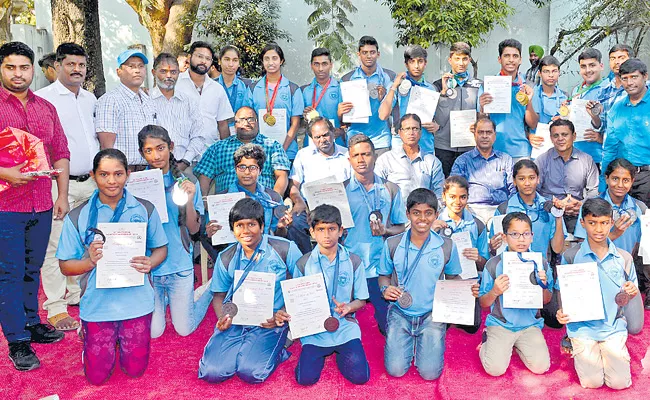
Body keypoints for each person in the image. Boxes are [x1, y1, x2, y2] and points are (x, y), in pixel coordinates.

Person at [57, 149, 168, 384]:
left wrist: (151, 262)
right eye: (104, 174)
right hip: (98, 305)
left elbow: (161, 249)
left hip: (137, 302)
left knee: (135, 370)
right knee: (97, 377)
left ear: (128, 174)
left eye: (118, 174)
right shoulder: (79, 216)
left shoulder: (145, 209)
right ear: (93, 176)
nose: (111, 181)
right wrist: (88, 262)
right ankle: (88, 337)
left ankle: (119, 340)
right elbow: (65, 266)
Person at [0, 41, 70, 371]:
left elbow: (61, 152)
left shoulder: (46, 108)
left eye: (23, 67)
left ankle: (32, 323)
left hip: (41, 203)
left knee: (32, 270)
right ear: (2, 69)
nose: (18, 74)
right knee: (10, 273)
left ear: (34, 70)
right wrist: (5, 173)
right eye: (11, 67)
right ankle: (17, 340)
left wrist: (62, 195)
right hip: (5, 207)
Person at [198, 198, 302, 384]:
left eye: (252, 224)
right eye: (239, 225)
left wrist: (283, 313)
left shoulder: (285, 248)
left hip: (270, 322)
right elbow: (219, 295)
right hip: (237, 319)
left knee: (252, 372)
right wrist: (223, 317)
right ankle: (244, 345)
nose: (245, 231)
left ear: (262, 226)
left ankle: (282, 342)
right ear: (233, 230)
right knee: (212, 372)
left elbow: (302, 286)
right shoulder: (226, 257)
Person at [36, 42, 98, 332]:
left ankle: (76, 293)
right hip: (57, 185)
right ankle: (56, 307)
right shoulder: (42, 100)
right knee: (56, 244)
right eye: (70, 64)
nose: (77, 69)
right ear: (57, 66)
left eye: (81, 65)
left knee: (85, 240)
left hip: (91, 181)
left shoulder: (90, 98)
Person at [556, 198, 643, 389]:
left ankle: (611, 349)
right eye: (592, 223)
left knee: (619, 383)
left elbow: (632, 292)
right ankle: (575, 342)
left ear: (611, 223)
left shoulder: (623, 257)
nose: (598, 229)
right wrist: (561, 311)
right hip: (583, 329)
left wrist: (631, 291)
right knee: (592, 382)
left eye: (604, 223)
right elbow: (563, 290)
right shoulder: (571, 256)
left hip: (613, 327)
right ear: (582, 223)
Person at [378, 188, 463, 380]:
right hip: (400, 312)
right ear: (408, 214)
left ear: (436, 214)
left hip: (432, 314)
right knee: (395, 370)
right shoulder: (392, 244)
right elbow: (383, 276)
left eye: (428, 213)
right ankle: (407, 341)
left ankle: (423, 344)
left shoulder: (446, 245)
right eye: (416, 213)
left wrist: (466, 290)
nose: (422, 219)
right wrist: (385, 289)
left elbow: (453, 278)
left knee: (430, 374)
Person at [137, 125, 213, 338]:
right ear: (142, 153)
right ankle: (169, 299)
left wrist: (189, 200)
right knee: (153, 332)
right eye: (148, 150)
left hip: (179, 267)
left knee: (184, 329)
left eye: (160, 148)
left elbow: (194, 229)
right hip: (149, 270)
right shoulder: (136, 184)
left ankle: (205, 290)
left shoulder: (186, 181)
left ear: (170, 147)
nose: (155, 155)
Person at [281, 204, 370, 386]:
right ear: (312, 232)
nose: (327, 235)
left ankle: (341, 354)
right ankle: (323, 354)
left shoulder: (354, 261)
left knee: (360, 377)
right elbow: (295, 300)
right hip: (314, 330)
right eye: (321, 229)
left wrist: (349, 307)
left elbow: (362, 299)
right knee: (305, 380)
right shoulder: (303, 264)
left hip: (345, 327)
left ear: (341, 231)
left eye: (332, 229)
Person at [343, 134, 407, 335]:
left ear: (375, 157)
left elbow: (402, 228)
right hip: (351, 268)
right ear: (349, 159)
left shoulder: (391, 189)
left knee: (389, 327)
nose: (361, 159)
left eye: (366, 154)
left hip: (380, 269)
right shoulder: (340, 191)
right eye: (356, 155)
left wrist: (386, 231)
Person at [478, 212, 553, 377]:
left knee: (541, 367)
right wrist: (495, 291)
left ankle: (518, 346)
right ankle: (486, 342)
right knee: (495, 370)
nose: (521, 239)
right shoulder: (494, 264)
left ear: (532, 236)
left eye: (526, 234)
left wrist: (543, 285)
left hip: (529, 325)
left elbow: (547, 300)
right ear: (505, 237)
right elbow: (483, 303)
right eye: (514, 234)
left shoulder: (541, 263)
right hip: (501, 325)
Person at [573, 158, 650, 308]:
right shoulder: (590, 205)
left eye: (626, 180)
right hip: (594, 270)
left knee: (634, 326)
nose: (620, 185)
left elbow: (643, 248)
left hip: (626, 271)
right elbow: (582, 246)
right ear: (606, 178)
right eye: (615, 178)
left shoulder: (639, 208)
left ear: (633, 181)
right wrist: (614, 234)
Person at [204, 144, 292, 252]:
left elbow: (279, 236)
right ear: (235, 169)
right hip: (232, 253)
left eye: (252, 168)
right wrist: (210, 233)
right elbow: (212, 238)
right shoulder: (221, 199)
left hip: (266, 253)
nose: (246, 172)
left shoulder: (272, 198)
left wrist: (281, 227)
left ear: (260, 171)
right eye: (242, 167)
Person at [194, 106, 290, 196]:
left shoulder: (272, 146)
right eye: (241, 120)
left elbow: (282, 176)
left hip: (263, 203)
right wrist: (203, 202)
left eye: (250, 119)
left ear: (258, 122)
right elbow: (204, 178)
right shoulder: (218, 148)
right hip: (226, 205)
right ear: (235, 125)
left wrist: (274, 202)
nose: (246, 123)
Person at [435, 175, 488, 333]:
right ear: (444, 196)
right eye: (452, 197)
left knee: (472, 326)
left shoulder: (477, 225)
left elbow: (485, 262)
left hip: (466, 282)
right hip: (439, 283)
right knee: (439, 325)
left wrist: (477, 257)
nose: (457, 202)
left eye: (462, 197)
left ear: (468, 198)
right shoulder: (433, 221)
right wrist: (430, 232)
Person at [288, 117, 350, 253]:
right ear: (311, 138)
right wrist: (298, 201)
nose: (323, 140)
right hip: (310, 208)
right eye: (317, 137)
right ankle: (305, 259)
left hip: (340, 208)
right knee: (295, 222)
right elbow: (294, 186)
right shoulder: (303, 155)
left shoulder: (347, 155)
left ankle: (342, 258)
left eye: (326, 134)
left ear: (333, 133)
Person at [478, 39, 540, 161]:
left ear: (520, 59)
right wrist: (482, 107)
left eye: (515, 56)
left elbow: (533, 124)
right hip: (493, 150)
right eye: (507, 56)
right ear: (499, 59)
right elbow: (481, 122)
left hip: (521, 151)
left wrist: (528, 101)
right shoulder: (487, 85)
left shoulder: (529, 86)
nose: (511, 60)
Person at [95, 48, 156, 169]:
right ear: (119, 72)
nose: (137, 70)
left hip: (149, 170)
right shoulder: (110, 100)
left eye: (141, 66)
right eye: (131, 66)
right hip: (124, 171)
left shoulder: (148, 100)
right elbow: (106, 147)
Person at [491, 160, 566, 258]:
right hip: (511, 268)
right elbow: (496, 247)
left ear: (538, 179)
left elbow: (557, 249)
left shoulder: (550, 208)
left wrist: (558, 217)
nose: (527, 183)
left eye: (532, 178)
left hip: (541, 269)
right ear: (514, 181)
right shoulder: (504, 209)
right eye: (521, 179)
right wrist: (493, 246)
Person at [535, 119, 599, 233]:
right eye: (556, 135)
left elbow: (593, 191)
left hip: (577, 212)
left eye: (565, 135)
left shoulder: (586, 160)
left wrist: (582, 205)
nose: (560, 139)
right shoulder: (542, 161)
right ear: (551, 138)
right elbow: (534, 192)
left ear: (574, 136)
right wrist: (553, 205)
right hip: (548, 213)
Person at [602, 58, 650, 207]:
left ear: (645, 77)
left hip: (647, 176)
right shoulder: (616, 109)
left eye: (634, 77)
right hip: (622, 179)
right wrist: (603, 184)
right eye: (625, 78)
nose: (629, 83)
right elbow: (610, 148)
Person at [450, 116, 515, 224]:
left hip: (501, 210)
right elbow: (454, 188)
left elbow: (513, 189)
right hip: (472, 210)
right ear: (474, 134)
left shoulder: (505, 159)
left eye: (488, 132)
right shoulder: (463, 160)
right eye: (480, 132)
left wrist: (509, 210)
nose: (484, 136)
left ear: (495, 135)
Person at [149, 52, 206, 173]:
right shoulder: (145, 101)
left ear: (179, 74)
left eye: (173, 72)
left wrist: (185, 162)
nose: (169, 76)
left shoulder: (189, 102)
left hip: (185, 167)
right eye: (163, 71)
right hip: (152, 168)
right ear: (154, 73)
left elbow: (199, 136)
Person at [433, 42, 482, 176]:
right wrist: (443, 94)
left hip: (469, 146)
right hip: (444, 147)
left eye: (465, 59)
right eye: (457, 58)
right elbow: (437, 119)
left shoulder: (478, 85)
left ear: (469, 60)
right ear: (450, 60)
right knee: (446, 187)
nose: (461, 63)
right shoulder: (438, 85)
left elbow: (482, 115)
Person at [378, 45, 439, 153]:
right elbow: (383, 115)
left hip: (425, 146)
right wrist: (394, 87)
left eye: (420, 61)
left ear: (425, 63)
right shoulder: (397, 85)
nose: (416, 66)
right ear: (406, 64)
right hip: (401, 146)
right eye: (412, 62)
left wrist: (435, 126)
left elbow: (437, 119)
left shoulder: (431, 89)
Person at [339, 36, 394, 154]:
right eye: (364, 52)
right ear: (358, 54)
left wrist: (383, 99)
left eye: (372, 52)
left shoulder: (389, 76)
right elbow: (344, 121)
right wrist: (340, 113)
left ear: (378, 54)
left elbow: (393, 110)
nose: (369, 56)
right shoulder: (347, 79)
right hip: (355, 138)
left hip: (381, 139)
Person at [250, 43, 304, 160]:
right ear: (262, 62)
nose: (270, 63)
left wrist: (282, 149)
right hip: (259, 152)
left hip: (287, 151)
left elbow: (295, 123)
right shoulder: (253, 88)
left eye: (274, 58)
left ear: (281, 61)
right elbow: (250, 119)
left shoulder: (293, 89)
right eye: (266, 59)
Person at [375, 114, 444, 205]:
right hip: (394, 214)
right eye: (407, 129)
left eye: (415, 128)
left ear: (421, 132)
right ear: (399, 132)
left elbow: (439, 195)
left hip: (424, 214)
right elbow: (377, 191)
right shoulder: (386, 160)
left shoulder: (432, 162)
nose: (411, 133)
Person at [174, 41, 233, 143]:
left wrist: (225, 149)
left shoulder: (217, 89)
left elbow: (222, 124)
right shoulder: (175, 85)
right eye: (200, 56)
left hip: (209, 152)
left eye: (208, 59)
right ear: (189, 57)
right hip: (181, 151)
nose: (203, 61)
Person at [568, 48, 607, 164]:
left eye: (592, 65)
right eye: (583, 66)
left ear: (601, 66)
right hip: (576, 153)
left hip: (597, 156)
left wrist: (601, 137)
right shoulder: (577, 90)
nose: (588, 70)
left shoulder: (608, 89)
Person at [301, 47, 345, 146]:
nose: (320, 69)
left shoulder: (341, 88)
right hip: (311, 145)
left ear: (331, 65)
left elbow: (349, 120)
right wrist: (304, 117)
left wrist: (342, 131)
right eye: (316, 64)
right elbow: (298, 124)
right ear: (311, 66)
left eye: (324, 64)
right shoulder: (304, 91)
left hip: (336, 143)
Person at [216, 45, 253, 135]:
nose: (231, 64)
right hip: (215, 131)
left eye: (235, 60)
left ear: (239, 63)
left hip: (240, 131)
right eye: (227, 59)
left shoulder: (247, 85)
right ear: (219, 61)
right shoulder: (211, 85)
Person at [599, 44, 634, 138]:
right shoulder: (604, 91)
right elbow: (602, 125)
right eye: (612, 58)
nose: (617, 62)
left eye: (621, 57)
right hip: (611, 149)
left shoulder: (642, 88)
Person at [533, 55, 567, 124]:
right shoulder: (532, 95)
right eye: (546, 71)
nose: (551, 75)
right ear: (540, 73)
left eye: (554, 71)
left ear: (559, 72)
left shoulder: (565, 98)